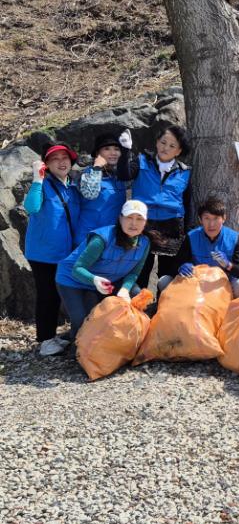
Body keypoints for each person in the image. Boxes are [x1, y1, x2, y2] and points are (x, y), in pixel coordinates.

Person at [55, 200, 150, 339]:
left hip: (106, 281)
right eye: (129, 217)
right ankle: (76, 347)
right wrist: (94, 280)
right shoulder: (102, 239)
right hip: (72, 279)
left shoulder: (145, 243)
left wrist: (124, 289)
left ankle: (126, 340)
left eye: (139, 219)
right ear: (120, 218)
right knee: (83, 320)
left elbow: (134, 273)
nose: (134, 223)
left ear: (145, 222)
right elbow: (78, 268)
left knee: (135, 294)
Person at [23, 142, 81, 355]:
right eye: (54, 159)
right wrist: (37, 179)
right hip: (43, 253)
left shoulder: (73, 186)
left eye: (64, 158)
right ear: (46, 164)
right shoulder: (43, 185)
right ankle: (45, 340)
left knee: (60, 294)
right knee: (47, 295)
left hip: (66, 252)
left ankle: (53, 335)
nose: (61, 162)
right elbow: (31, 207)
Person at [128, 125, 192, 289]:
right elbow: (124, 174)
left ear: (178, 151)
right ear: (157, 143)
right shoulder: (141, 161)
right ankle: (138, 307)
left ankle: (162, 308)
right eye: (163, 143)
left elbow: (187, 203)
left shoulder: (184, 172)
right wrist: (125, 151)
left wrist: (187, 231)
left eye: (172, 146)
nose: (166, 148)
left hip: (171, 225)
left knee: (167, 272)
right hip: (143, 223)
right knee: (141, 268)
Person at [157, 197, 239, 298]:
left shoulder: (234, 238)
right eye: (207, 218)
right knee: (164, 281)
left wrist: (228, 265)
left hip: (224, 285)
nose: (211, 224)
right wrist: (181, 267)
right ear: (200, 219)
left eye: (216, 218)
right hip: (196, 285)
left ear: (224, 218)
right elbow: (175, 265)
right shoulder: (191, 237)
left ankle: (231, 311)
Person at [75, 130, 133, 242]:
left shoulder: (120, 176)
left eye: (117, 149)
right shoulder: (87, 173)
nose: (113, 153)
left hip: (111, 238)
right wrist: (96, 168)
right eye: (107, 149)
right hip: (88, 238)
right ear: (97, 153)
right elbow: (90, 193)